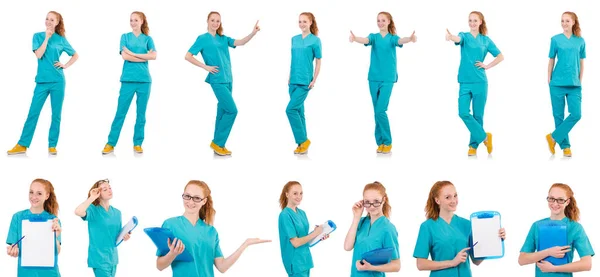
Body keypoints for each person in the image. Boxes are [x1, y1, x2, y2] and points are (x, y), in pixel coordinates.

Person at [156, 180, 270, 276]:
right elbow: (159, 266)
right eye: (187, 196)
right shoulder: (170, 225)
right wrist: (172, 254)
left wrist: (245, 244)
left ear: (204, 201)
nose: (190, 202)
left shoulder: (211, 232)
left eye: (196, 198)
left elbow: (222, 267)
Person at [185, 12, 260, 156]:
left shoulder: (223, 38)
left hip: (228, 79)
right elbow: (188, 56)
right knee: (232, 110)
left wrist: (253, 33)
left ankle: (218, 144)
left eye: (218, 21)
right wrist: (205, 67)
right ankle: (218, 143)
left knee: (223, 111)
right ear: (207, 21)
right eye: (212, 20)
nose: (215, 23)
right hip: (217, 80)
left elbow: (241, 42)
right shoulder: (202, 39)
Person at [7, 11, 78, 155]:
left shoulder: (61, 40)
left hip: (58, 81)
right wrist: (46, 37)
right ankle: (22, 144)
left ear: (57, 23)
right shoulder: (38, 36)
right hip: (42, 82)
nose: (49, 22)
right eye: (47, 19)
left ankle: (52, 145)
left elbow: (75, 55)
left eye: (52, 20)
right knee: (33, 113)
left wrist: (65, 65)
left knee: (56, 115)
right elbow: (39, 54)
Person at [349, 12, 417, 154]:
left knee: (381, 110)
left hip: (387, 78)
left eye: (383, 20)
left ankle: (388, 142)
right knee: (376, 112)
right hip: (373, 78)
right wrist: (355, 39)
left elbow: (400, 41)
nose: (380, 23)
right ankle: (380, 142)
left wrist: (410, 39)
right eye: (378, 20)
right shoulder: (374, 37)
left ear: (389, 22)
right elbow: (365, 40)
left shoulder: (392, 38)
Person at [413, 180, 506, 277]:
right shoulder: (427, 227)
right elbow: (421, 264)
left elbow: (476, 261)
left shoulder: (467, 224)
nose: (453, 201)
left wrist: (493, 239)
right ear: (437, 200)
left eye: (455, 195)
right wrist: (452, 262)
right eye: (447, 197)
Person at [445, 11, 504, 156]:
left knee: (478, 115)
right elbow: (457, 38)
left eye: (475, 21)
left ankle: (473, 146)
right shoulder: (464, 36)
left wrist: (487, 66)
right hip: (465, 81)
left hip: (480, 81)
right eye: (470, 20)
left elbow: (500, 56)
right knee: (463, 112)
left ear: (480, 22)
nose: (472, 23)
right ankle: (485, 137)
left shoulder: (486, 40)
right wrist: (451, 37)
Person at [102, 11, 157, 155]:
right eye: (131, 20)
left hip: (144, 81)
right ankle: (110, 143)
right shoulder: (124, 37)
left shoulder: (148, 39)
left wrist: (133, 54)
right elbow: (124, 56)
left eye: (136, 20)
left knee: (141, 114)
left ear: (142, 21)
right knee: (120, 112)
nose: (133, 23)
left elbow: (154, 56)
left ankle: (138, 143)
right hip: (127, 80)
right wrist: (144, 57)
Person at [518, 183, 594, 276]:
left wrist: (554, 268)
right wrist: (548, 252)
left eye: (560, 200)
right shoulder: (537, 226)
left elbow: (586, 264)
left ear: (567, 202)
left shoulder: (575, 228)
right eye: (551, 199)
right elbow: (522, 260)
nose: (555, 203)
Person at [545, 12, 586, 157]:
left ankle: (553, 137)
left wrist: (580, 80)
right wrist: (548, 78)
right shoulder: (555, 40)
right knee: (558, 116)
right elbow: (551, 60)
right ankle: (565, 147)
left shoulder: (580, 41)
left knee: (576, 114)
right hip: (557, 83)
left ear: (573, 22)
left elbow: (581, 62)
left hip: (574, 84)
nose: (564, 23)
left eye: (567, 21)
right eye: (562, 21)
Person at [6, 179, 62, 277]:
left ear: (47, 196)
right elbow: (14, 246)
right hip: (26, 273)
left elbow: (56, 252)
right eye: (31, 192)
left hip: (50, 273)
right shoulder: (18, 217)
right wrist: (13, 250)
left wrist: (56, 236)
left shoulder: (54, 220)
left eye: (39, 193)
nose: (34, 197)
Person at [74, 179, 131, 277]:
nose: (109, 190)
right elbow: (78, 211)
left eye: (110, 188)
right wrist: (92, 198)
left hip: (113, 258)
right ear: (98, 193)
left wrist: (124, 236)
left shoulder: (117, 213)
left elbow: (117, 236)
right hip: (99, 258)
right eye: (105, 189)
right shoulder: (92, 210)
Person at [344, 181, 400, 276]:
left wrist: (371, 267)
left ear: (384, 200)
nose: (372, 206)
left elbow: (396, 265)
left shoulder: (388, 228)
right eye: (367, 202)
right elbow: (347, 247)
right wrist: (356, 217)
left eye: (376, 202)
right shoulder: (361, 222)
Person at [287, 12, 322, 155]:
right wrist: (289, 76)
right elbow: (293, 59)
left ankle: (303, 139)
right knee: (299, 112)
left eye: (304, 22)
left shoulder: (315, 41)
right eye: (300, 21)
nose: (302, 24)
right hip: (292, 81)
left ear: (311, 23)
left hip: (305, 81)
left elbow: (318, 61)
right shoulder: (294, 39)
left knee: (290, 110)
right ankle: (303, 144)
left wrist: (314, 79)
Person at [278, 181, 329, 276]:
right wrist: (315, 233)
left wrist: (318, 235)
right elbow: (296, 243)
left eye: (301, 193)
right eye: (295, 193)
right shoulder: (285, 215)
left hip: (305, 260)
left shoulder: (302, 213)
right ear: (287, 194)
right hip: (295, 262)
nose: (299, 196)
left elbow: (305, 239)